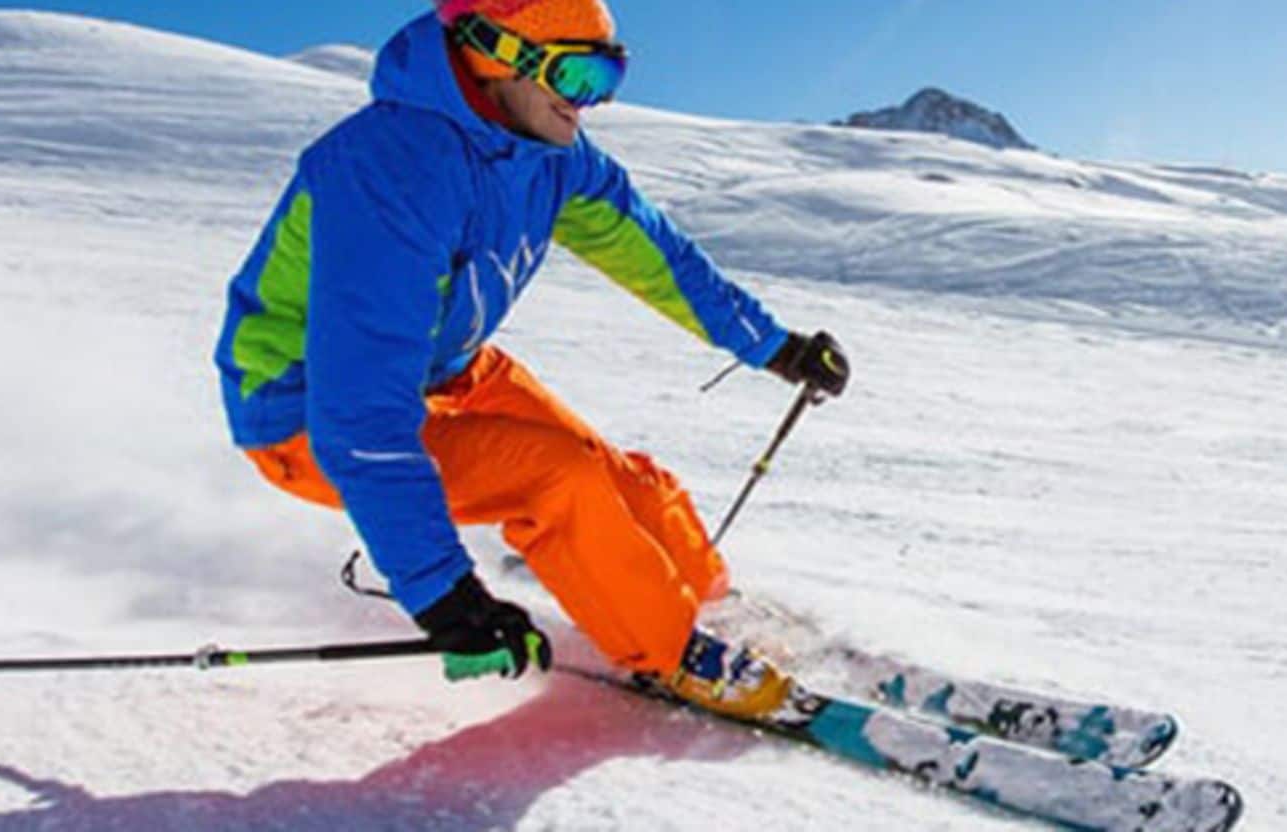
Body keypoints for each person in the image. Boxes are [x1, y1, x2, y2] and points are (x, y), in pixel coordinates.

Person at [212, 0, 848, 717]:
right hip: (303, 407)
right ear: (497, 55)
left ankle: (700, 595)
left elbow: (654, 254)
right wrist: (442, 594)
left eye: (608, 78)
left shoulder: (548, 155)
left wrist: (773, 345)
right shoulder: (391, 167)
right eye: (577, 76)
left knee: (616, 475)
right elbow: (358, 412)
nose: (592, 102)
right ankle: (671, 651)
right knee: (558, 478)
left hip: (446, 370)